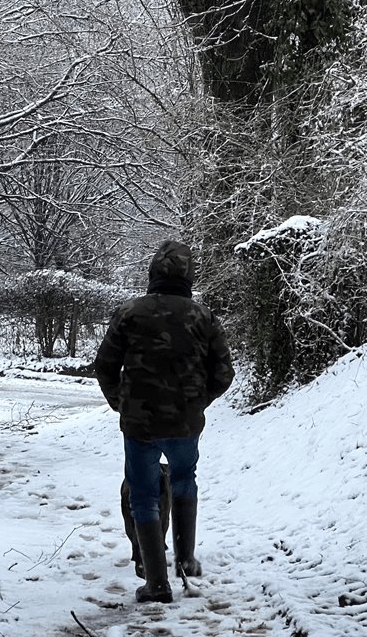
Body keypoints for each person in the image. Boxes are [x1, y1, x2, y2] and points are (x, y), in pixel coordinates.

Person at [94, 240, 235, 603]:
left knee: (143, 496)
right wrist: (196, 403)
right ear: (189, 276)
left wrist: (121, 403)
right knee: (185, 481)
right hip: (185, 424)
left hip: (139, 424)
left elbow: (105, 365)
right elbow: (223, 372)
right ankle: (186, 560)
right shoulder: (202, 316)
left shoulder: (129, 312)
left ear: (153, 273)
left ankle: (157, 584)